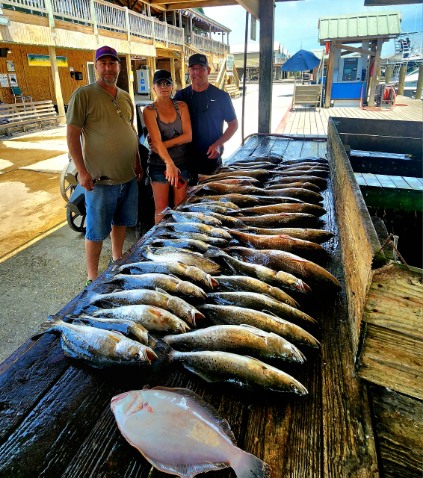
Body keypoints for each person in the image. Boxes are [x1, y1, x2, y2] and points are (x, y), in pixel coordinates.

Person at [66, 45, 141, 285]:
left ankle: (117, 260)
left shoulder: (125, 96)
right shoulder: (84, 94)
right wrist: (82, 171)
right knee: (96, 230)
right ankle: (92, 277)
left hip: (127, 176)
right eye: (104, 63)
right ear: (96, 66)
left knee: (121, 222)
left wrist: (138, 163)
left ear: (119, 66)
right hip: (100, 180)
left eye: (113, 63)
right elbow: (72, 135)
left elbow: (131, 130)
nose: (108, 68)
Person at [173, 53, 238, 182]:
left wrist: (218, 144)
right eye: (193, 69)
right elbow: (168, 121)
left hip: (211, 158)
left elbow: (233, 124)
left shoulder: (221, 96)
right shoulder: (180, 96)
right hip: (185, 159)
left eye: (201, 68)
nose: (197, 72)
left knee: (211, 198)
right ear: (189, 71)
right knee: (188, 198)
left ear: (208, 71)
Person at [143, 69, 192, 224]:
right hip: (158, 165)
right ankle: (159, 244)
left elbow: (188, 136)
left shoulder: (181, 106)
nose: (163, 86)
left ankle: (179, 244)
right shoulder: (149, 110)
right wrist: (168, 163)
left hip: (182, 162)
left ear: (173, 87)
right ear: (153, 88)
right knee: (161, 209)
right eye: (159, 83)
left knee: (180, 207)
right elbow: (155, 141)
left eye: (167, 83)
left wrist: (163, 145)